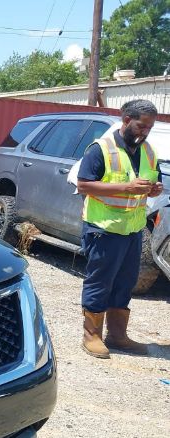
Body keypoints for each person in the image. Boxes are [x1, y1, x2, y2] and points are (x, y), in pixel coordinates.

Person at [76, 99, 162, 359]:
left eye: (149, 127)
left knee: (124, 283)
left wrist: (154, 189)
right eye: (141, 125)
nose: (145, 131)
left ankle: (118, 336)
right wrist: (126, 187)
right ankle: (91, 336)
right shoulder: (101, 149)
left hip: (133, 231)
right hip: (103, 229)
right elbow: (83, 185)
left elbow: (151, 181)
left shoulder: (147, 150)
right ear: (126, 120)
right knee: (100, 282)